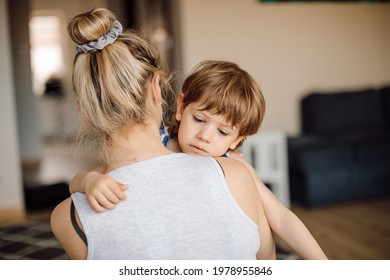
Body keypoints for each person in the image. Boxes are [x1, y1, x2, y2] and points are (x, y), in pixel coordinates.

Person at [50, 8, 276, 260]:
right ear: (157, 89)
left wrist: (83, 182)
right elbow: (267, 262)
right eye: (200, 119)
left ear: (85, 111)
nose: (206, 135)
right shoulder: (234, 174)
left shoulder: (67, 218)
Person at [70, 59, 328, 260]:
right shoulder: (156, 144)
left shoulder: (234, 165)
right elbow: (85, 180)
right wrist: (89, 181)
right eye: (199, 119)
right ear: (181, 107)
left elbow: (281, 218)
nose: (205, 136)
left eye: (223, 132)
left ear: (237, 139)